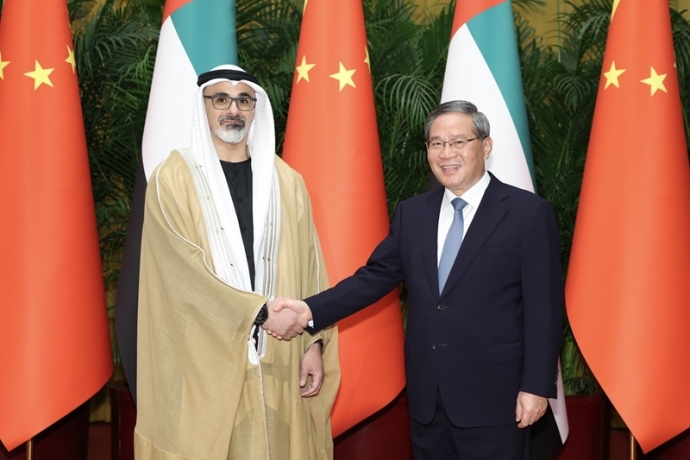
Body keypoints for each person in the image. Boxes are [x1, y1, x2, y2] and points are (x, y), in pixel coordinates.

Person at [267, 100, 564, 460]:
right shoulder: (413, 212)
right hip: (428, 399)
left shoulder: (527, 213)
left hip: (497, 398)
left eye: (459, 142)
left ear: (485, 146)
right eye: (436, 143)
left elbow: (544, 309)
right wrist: (309, 310)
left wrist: (536, 387)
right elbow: (375, 277)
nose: (446, 153)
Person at [134, 64, 340, 460]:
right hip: (204, 362)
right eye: (221, 99)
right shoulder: (172, 179)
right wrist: (258, 313)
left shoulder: (287, 181)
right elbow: (181, 273)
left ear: (256, 109)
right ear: (202, 107)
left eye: (244, 100)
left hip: (283, 355)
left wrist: (313, 343)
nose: (233, 110)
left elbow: (312, 268)